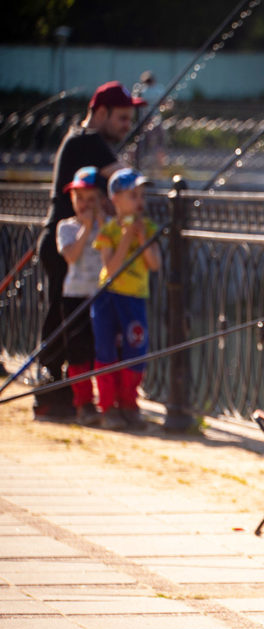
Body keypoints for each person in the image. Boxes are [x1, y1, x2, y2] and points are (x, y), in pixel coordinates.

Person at [33, 81, 143, 421]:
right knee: (66, 323)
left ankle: (62, 396)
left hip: (68, 242)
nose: (128, 126)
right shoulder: (89, 140)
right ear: (101, 113)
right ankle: (53, 396)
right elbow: (123, 182)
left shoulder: (77, 138)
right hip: (69, 244)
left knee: (66, 321)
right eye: (122, 118)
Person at [92, 167, 161, 431]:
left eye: (142, 195)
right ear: (116, 199)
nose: (140, 202)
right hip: (108, 297)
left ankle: (129, 403)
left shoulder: (149, 227)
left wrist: (142, 236)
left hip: (135, 297)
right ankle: (108, 406)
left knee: (136, 349)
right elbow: (111, 269)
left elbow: (154, 264)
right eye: (133, 195)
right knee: (106, 349)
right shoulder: (108, 230)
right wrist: (126, 237)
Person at [54, 166, 106, 425]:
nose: (84, 205)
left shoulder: (108, 227)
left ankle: (106, 401)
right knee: (78, 351)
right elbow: (71, 256)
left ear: (101, 200)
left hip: (102, 296)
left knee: (103, 350)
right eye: (79, 199)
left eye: (91, 199)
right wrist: (86, 229)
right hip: (74, 295)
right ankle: (83, 402)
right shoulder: (66, 227)